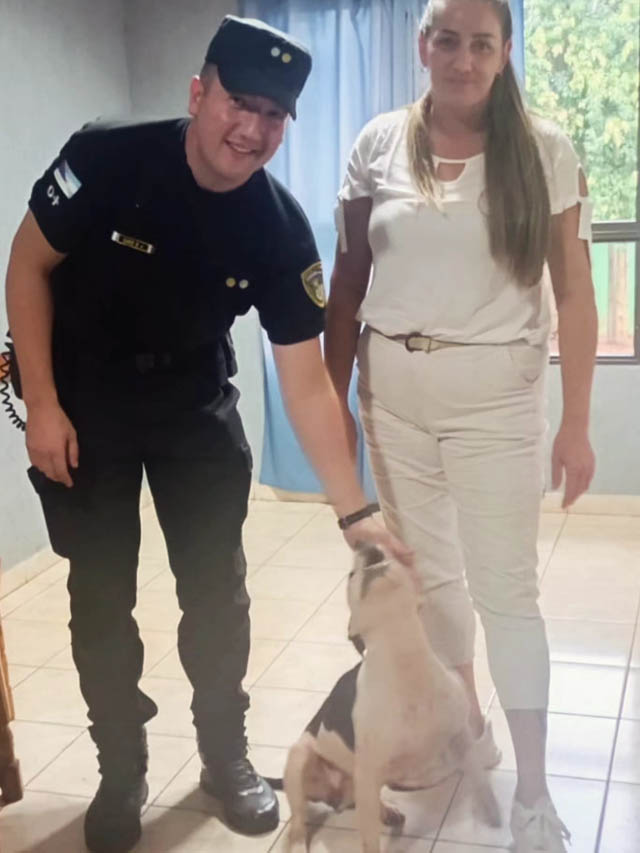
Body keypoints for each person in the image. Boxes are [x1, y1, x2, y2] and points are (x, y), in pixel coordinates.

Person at [5, 15, 410, 853]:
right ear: (199, 93)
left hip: (193, 404)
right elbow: (27, 265)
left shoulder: (278, 227)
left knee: (218, 594)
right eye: (239, 102)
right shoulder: (109, 158)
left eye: (274, 114)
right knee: (100, 594)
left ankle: (226, 757)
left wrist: (354, 511)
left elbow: (306, 383)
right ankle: (121, 768)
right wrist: (41, 403)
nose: (253, 129)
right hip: (86, 403)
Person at [325, 0, 596, 850]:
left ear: (505, 52)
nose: (464, 60)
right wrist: (331, 402)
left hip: (497, 401)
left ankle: (536, 793)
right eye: (448, 40)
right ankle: (467, 730)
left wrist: (576, 423)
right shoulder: (379, 143)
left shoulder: (544, 150)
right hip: (394, 396)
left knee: (506, 594)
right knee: (432, 587)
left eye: (482, 44)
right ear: (424, 45)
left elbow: (576, 294)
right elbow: (347, 281)